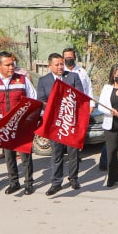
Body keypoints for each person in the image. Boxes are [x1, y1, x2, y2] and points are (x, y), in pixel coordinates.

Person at [0, 51, 37, 194]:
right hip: (4, 125)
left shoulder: (22, 80)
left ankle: (29, 183)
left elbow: (33, 99)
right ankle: (14, 182)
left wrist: (32, 119)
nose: (11, 67)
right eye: (8, 65)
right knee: (9, 156)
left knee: (25, 156)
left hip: (21, 124)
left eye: (13, 64)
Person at [37, 53, 85, 196]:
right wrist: (55, 104)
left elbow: (80, 95)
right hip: (55, 123)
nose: (60, 67)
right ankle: (56, 182)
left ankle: (74, 178)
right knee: (57, 154)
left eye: (61, 64)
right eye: (57, 64)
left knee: (72, 152)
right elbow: (41, 100)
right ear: (49, 65)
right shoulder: (43, 81)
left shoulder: (72, 77)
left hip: (70, 121)